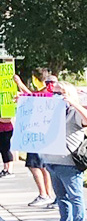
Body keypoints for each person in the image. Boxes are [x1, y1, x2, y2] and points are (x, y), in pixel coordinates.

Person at [42, 79, 87, 221]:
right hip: (52, 161)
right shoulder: (50, 112)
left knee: (75, 196)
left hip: (69, 163)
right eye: (54, 92)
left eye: (60, 93)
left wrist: (73, 103)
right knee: (61, 198)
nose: (56, 95)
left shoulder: (74, 113)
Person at [15, 71, 56, 206]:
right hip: (44, 136)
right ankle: (48, 194)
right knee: (43, 166)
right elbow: (31, 96)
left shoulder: (46, 95)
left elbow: (32, 97)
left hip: (38, 135)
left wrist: (20, 84)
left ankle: (44, 194)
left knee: (35, 166)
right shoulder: (53, 96)